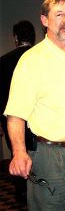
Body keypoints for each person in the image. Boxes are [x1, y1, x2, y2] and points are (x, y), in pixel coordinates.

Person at [4, 0, 65, 211]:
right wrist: (19, 152)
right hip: (48, 156)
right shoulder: (32, 60)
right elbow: (16, 114)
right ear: (44, 20)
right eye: (59, 14)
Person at [0, 20, 36, 203]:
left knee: (17, 152)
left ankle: (21, 193)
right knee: (37, 155)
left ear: (15, 38)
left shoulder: (3, 61)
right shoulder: (39, 57)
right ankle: (37, 189)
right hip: (37, 119)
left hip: (9, 118)